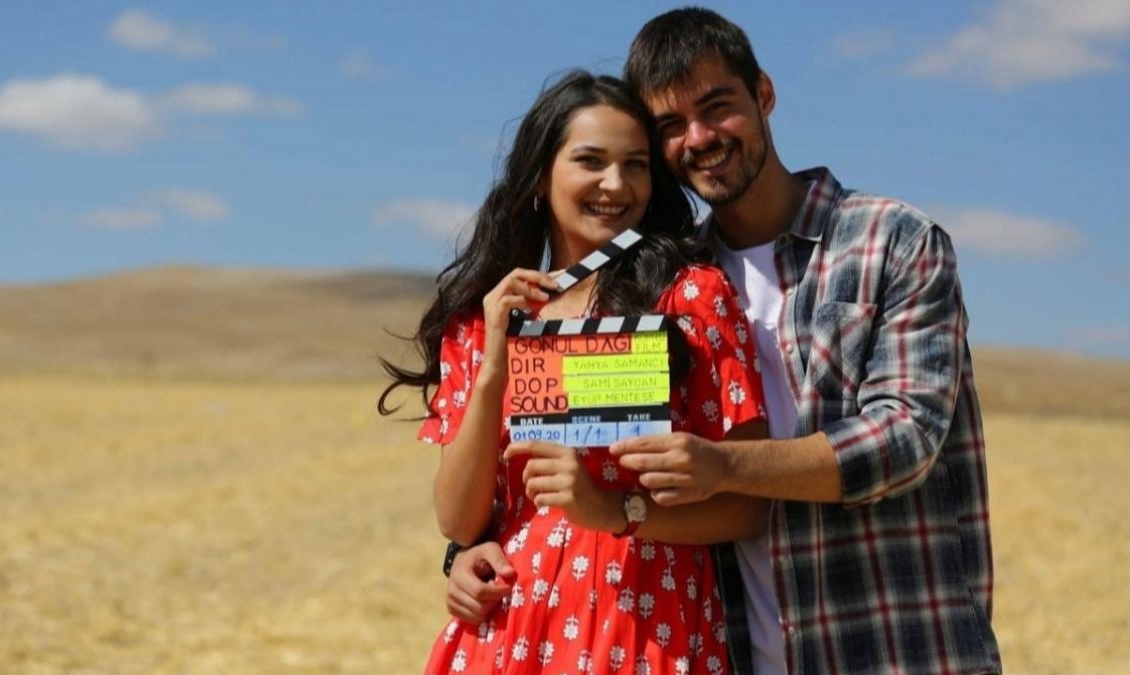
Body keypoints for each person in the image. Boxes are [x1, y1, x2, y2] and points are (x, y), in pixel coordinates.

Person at [447, 8, 1002, 674]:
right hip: (735, 649)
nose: (700, 138)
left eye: (717, 108)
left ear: (764, 94)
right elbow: (558, 460)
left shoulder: (891, 241)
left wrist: (723, 466)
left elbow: (904, 439)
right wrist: (469, 551)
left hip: (891, 643)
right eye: (671, 125)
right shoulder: (671, 284)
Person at [379, 70, 773, 673]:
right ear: (541, 176)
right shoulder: (482, 322)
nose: (615, 184)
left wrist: (615, 510)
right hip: (513, 627)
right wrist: (495, 364)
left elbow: (748, 507)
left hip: (649, 623)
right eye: (591, 161)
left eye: (636, 165)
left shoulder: (690, 298)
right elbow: (458, 519)